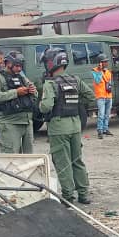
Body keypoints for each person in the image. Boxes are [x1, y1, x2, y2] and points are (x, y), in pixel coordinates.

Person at [39, 48, 94, 205]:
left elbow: (46, 107)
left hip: (58, 128)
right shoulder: (75, 80)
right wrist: (75, 105)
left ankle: (68, 196)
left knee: (63, 162)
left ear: (52, 63)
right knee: (77, 160)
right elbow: (90, 96)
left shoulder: (50, 84)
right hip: (75, 125)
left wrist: (41, 103)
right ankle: (84, 194)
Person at [0, 53, 37, 154]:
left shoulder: (22, 77)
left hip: (26, 122)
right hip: (9, 122)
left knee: (29, 157)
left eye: (21, 66)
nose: (19, 69)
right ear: (8, 63)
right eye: (17, 66)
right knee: (11, 157)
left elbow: (35, 93)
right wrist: (16, 92)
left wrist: (33, 91)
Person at [91, 57, 114, 139]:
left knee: (107, 114)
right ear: (100, 63)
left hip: (108, 95)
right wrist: (100, 71)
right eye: (104, 62)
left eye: (106, 61)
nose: (106, 63)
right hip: (100, 96)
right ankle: (100, 130)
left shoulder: (108, 72)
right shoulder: (95, 71)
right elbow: (97, 81)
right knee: (101, 114)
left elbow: (109, 84)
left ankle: (105, 129)